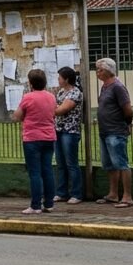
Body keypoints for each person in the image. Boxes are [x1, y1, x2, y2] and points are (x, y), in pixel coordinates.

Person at [11, 68, 57, 214]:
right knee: (47, 170)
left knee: (35, 172)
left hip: (32, 138)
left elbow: (16, 116)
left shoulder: (28, 97)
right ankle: (49, 203)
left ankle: (35, 205)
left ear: (30, 83)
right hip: (49, 136)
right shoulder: (51, 97)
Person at [94, 57, 133, 208]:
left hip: (116, 130)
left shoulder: (118, 87)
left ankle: (127, 196)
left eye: (101, 69)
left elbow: (128, 109)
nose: (98, 72)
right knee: (109, 164)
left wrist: (127, 124)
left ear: (109, 71)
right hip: (105, 131)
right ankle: (113, 194)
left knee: (121, 163)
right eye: (97, 69)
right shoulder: (105, 86)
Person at [52, 66, 84, 204]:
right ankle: (61, 192)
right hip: (58, 129)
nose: (58, 80)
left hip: (70, 131)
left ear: (66, 79)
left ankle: (77, 193)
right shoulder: (60, 93)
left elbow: (61, 110)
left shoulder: (75, 93)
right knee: (60, 163)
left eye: (60, 77)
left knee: (71, 163)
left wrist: (51, 108)